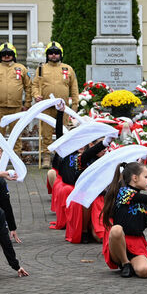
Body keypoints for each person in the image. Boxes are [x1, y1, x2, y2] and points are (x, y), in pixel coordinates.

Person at [100, 162, 147, 278]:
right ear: (135, 178)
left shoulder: (146, 205)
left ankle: (132, 264)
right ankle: (125, 263)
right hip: (118, 243)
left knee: (144, 271)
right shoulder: (123, 193)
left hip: (136, 244)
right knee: (116, 229)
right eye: (146, 177)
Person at [50, 102, 107, 243]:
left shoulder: (95, 157)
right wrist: (60, 113)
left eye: (83, 143)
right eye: (78, 143)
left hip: (96, 194)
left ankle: (98, 229)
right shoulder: (68, 154)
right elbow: (59, 136)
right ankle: (84, 231)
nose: (80, 146)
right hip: (78, 192)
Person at [32, 41, 79, 155]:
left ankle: (61, 156)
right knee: (46, 134)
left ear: (61, 54)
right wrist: (36, 95)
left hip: (62, 108)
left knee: (62, 132)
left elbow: (74, 87)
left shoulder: (68, 69)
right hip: (46, 106)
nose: (53, 55)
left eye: (56, 53)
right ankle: (47, 156)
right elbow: (35, 85)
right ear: (47, 55)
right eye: (51, 53)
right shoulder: (41, 68)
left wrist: (75, 105)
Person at [0, 42, 30, 149]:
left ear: (14, 55)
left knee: (16, 135)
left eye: (9, 54)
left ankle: (16, 157)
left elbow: (28, 87)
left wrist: (27, 103)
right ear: (0, 56)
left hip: (16, 108)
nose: (7, 56)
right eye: (4, 54)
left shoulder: (21, 68)